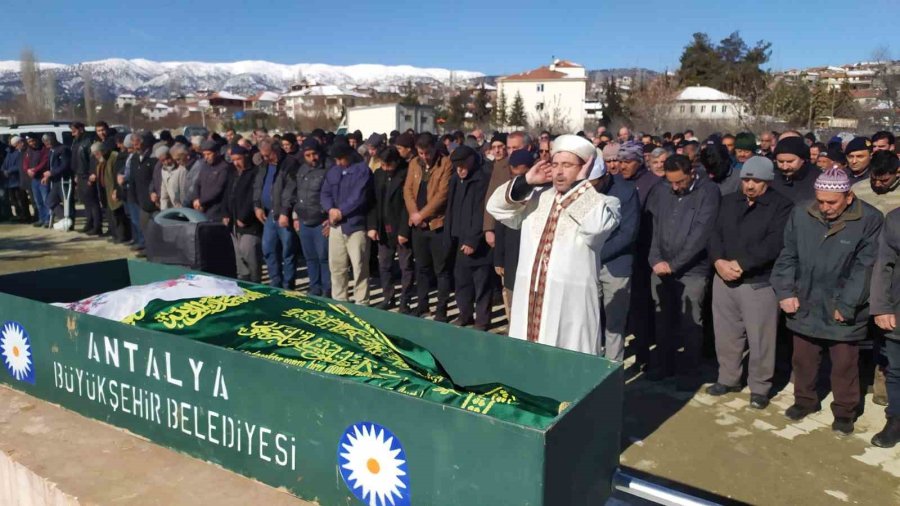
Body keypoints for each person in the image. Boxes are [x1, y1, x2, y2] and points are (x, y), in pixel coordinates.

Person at [771, 168, 883, 435]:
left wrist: (847, 305)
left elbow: (865, 268)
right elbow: (788, 254)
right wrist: (786, 292)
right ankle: (805, 401)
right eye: (820, 201)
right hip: (806, 298)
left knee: (845, 363)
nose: (824, 207)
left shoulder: (869, 219)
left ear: (848, 196)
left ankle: (845, 411)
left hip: (843, 302)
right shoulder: (801, 213)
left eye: (831, 202)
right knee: (803, 358)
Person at [487, 134, 621, 354]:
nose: (559, 171)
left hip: (569, 302)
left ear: (584, 168)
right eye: (555, 164)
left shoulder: (605, 204)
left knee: (566, 358)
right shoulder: (538, 197)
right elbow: (496, 207)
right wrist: (526, 181)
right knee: (526, 357)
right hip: (529, 294)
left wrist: (578, 186)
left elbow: (595, 227)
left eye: (567, 165)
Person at [707, 156, 793, 408]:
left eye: (756, 180)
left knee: (761, 339)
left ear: (767, 180)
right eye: (746, 179)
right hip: (723, 278)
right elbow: (714, 234)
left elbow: (775, 243)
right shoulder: (728, 201)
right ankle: (728, 378)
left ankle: (760, 387)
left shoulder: (781, 206)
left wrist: (742, 264)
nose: (750, 185)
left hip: (758, 283)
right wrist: (718, 262)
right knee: (726, 335)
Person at [646, 154, 721, 389]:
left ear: (691, 172)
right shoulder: (662, 191)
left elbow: (700, 234)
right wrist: (655, 259)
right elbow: (655, 228)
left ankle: (689, 373)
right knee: (662, 319)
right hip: (660, 266)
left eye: (680, 182)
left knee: (691, 324)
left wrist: (675, 265)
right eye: (671, 182)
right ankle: (665, 365)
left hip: (692, 270)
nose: (676, 187)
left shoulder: (708, 192)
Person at [594, 150, 640, 361]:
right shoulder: (585, 187)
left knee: (614, 325)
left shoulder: (626, 191)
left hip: (616, 265)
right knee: (589, 320)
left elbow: (628, 232)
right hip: (588, 265)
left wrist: (596, 253)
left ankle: (612, 370)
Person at [403, 133, 454, 320]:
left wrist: (422, 215)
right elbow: (407, 190)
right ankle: (422, 304)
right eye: (421, 153)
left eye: (428, 152)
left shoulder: (446, 163)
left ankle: (441, 309)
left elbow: (442, 194)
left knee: (441, 270)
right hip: (418, 225)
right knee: (422, 268)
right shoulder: (414, 164)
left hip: (436, 224)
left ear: (434, 148)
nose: (425, 156)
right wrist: (414, 214)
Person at [445, 145, 492, 330]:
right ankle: (465, 315)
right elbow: (451, 208)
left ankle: (482, 320)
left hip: (477, 242)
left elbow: (482, 212)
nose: (460, 170)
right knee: (462, 282)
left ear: (472, 160)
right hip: (458, 238)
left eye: (463, 165)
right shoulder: (456, 179)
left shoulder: (483, 177)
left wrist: (473, 240)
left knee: (481, 284)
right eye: (457, 167)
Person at [321, 141, 373, 305]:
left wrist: (340, 211)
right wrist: (330, 209)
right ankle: (340, 300)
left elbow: (359, 197)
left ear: (349, 156)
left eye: (341, 159)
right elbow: (325, 193)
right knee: (336, 266)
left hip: (356, 225)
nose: (338, 163)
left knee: (359, 267)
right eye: (336, 160)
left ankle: (362, 302)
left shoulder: (362, 170)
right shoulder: (333, 171)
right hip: (336, 225)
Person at [367, 146, 414, 312]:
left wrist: (404, 231)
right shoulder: (378, 175)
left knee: (405, 266)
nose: (385, 168)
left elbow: (407, 207)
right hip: (382, 227)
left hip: (400, 227)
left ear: (395, 162)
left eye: (388, 165)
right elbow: (372, 202)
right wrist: (372, 226)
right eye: (383, 165)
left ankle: (405, 300)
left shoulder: (405, 174)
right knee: (384, 265)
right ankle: (388, 296)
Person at [283, 139, 331, 297]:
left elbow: (333, 195)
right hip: (304, 220)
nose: (312, 158)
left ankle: (327, 289)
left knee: (323, 257)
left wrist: (330, 218)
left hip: (321, 220)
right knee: (310, 257)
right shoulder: (302, 169)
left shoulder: (328, 168)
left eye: (314, 154)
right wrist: (295, 216)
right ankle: (314, 287)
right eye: (308, 155)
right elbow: (296, 193)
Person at [870, 208, 900, 447]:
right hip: (897, 309)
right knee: (897, 371)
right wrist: (881, 307)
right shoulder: (895, 219)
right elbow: (883, 265)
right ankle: (896, 421)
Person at [254, 138, 300, 290]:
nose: (266, 158)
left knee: (288, 250)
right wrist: (257, 206)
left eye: (268, 155)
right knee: (268, 249)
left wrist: (285, 211)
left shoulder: (289, 164)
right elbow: (259, 186)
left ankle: (288, 285)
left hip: (282, 214)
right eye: (263, 156)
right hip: (269, 214)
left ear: (277, 150)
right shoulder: (264, 165)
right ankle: (275, 282)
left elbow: (290, 190)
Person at [493, 150, 531, 325]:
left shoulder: (543, 193)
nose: (518, 179)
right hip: (511, 260)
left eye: (522, 175)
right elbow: (500, 228)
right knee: (513, 308)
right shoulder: (508, 192)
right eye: (513, 174)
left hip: (531, 264)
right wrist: (498, 260)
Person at [223, 146, 261, 282]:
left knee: (250, 255)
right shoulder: (233, 174)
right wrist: (226, 213)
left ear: (246, 156)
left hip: (249, 225)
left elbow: (253, 198)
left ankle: (256, 284)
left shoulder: (255, 173)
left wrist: (245, 217)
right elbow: (227, 195)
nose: (236, 163)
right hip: (234, 224)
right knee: (239, 258)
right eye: (233, 160)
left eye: (238, 159)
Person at [71, 123, 101, 234]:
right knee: (85, 201)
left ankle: (97, 226)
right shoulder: (76, 142)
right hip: (80, 175)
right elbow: (75, 159)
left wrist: (92, 174)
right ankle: (89, 223)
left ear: (81, 129)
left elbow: (94, 159)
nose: (72, 133)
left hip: (88, 174)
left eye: (74, 130)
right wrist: (76, 175)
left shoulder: (89, 141)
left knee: (93, 201)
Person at [771, 137, 818, 204]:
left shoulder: (817, 180)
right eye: (781, 161)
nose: (785, 167)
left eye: (790, 161)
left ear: (803, 159)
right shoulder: (772, 178)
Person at [193, 140, 230, 222]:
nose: (206, 157)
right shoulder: (205, 166)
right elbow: (197, 183)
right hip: (202, 208)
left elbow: (218, 189)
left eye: (209, 154)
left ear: (217, 153)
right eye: (204, 154)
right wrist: (196, 198)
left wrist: (201, 201)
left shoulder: (224, 167)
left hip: (216, 211)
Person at [43, 133, 74, 231]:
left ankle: (69, 224)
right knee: (49, 201)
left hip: (64, 180)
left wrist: (51, 173)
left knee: (67, 202)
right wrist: (47, 176)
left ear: (54, 139)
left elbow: (65, 165)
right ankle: (65, 220)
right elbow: (50, 166)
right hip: (55, 181)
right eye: (45, 142)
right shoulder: (51, 151)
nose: (47, 143)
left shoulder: (63, 149)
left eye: (48, 141)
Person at [1, 136, 30, 222]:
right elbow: (4, 164)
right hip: (9, 182)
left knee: (21, 199)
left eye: (13, 144)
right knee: (14, 200)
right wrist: (3, 171)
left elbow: (19, 166)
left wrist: (8, 171)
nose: (10, 145)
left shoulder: (19, 153)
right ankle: (19, 215)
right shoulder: (9, 153)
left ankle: (25, 216)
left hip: (18, 181)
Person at [24, 134, 50, 227]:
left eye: (32, 141)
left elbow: (44, 162)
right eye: (29, 142)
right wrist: (27, 170)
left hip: (42, 178)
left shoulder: (44, 149)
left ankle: (48, 220)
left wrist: (34, 170)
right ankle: (41, 219)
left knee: (45, 200)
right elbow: (25, 162)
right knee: (37, 201)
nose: (31, 143)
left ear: (36, 140)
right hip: (34, 179)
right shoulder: (29, 150)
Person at [156, 146, 187, 210]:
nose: (166, 162)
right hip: (174, 208)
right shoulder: (163, 171)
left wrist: (182, 209)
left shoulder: (181, 169)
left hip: (183, 208)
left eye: (168, 158)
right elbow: (164, 194)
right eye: (163, 161)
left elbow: (182, 193)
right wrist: (164, 211)